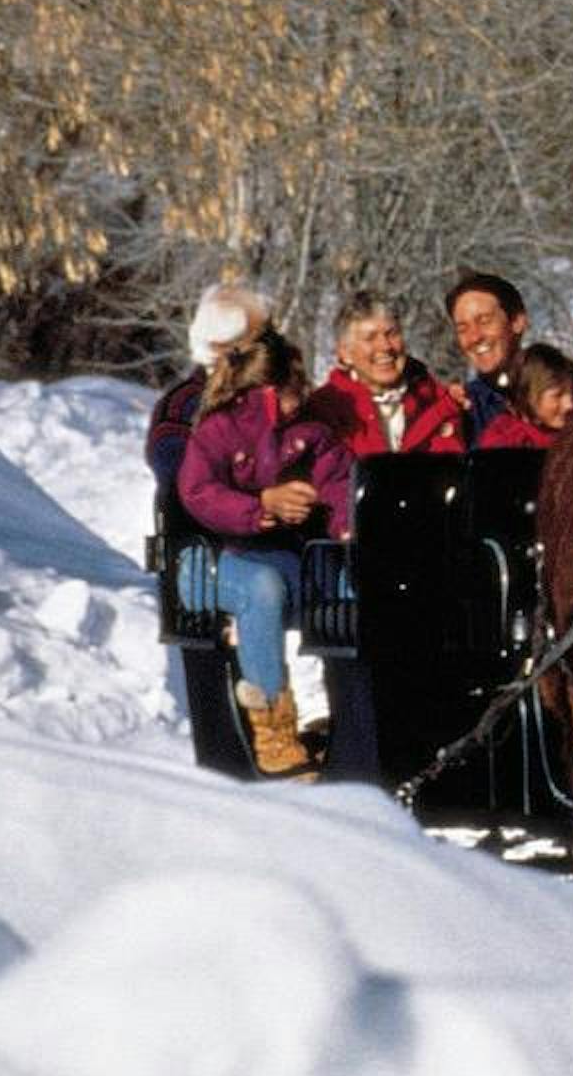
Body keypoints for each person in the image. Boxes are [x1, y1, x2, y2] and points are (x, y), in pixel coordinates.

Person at [178, 328, 353, 780]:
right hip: (216, 562)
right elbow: (197, 493)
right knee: (263, 590)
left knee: (346, 585)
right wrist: (261, 507)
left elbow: (337, 479)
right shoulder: (219, 429)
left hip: (282, 557)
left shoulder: (308, 431)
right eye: (294, 393)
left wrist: (346, 523)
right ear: (267, 392)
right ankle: (273, 729)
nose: (301, 402)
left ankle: (354, 723)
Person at [144, 282, 272, 502]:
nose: (264, 351)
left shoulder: (278, 396)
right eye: (253, 341)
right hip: (212, 526)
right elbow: (177, 475)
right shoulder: (183, 405)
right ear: (217, 346)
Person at [303, 289, 465, 456]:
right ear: (345, 354)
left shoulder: (439, 401)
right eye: (370, 338)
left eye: (391, 333)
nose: (385, 346)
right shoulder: (324, 411)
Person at [444, 270, 528, 440]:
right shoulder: (462, 410)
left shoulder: (562, 395)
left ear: (517, 322)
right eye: (462, 329)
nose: (474, 337)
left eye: (484, 321)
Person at [478, 342, 573, 449]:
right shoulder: (504, 440)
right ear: (527, 399)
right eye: (557, 395)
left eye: (572, 393)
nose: (570, 404)